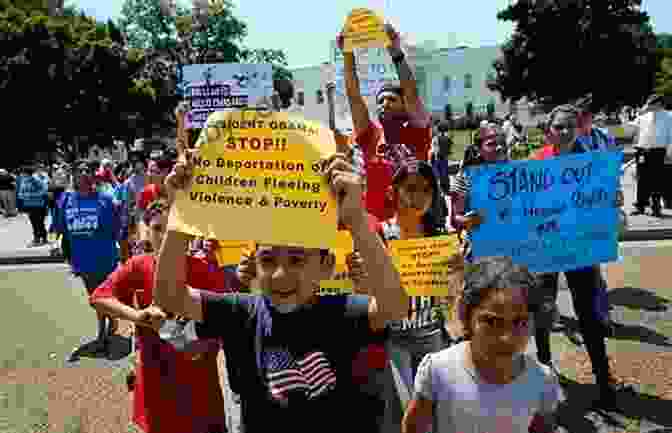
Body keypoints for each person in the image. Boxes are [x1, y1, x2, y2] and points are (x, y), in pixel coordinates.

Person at [152, 150, 408, 433]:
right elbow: (170, 296)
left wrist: (357, 220)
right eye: (268, 260)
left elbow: (394, 306)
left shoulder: (341, 310)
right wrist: (180, 218)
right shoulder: (241, 310)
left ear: (326, 266)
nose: (280, 274)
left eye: (297, 260)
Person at [89, 199, 228, 433]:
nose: (165, 237)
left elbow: (226, 321)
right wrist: (137, 316)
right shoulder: (137, 265)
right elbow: (99, 297)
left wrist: (196, 342)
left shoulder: (205, 271)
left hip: (199, 384)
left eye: (175, 230)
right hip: (155, 381)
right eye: (157, 228)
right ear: (147, 231)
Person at [526, 104, 628, 408]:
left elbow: (609, 197)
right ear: (549, 131)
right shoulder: (536, 161)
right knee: (542, 310)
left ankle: (603, 379)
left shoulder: (593, 162)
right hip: (546, 247)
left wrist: (614, 198)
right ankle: (544, 370)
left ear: (578, 129)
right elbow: (525, 203)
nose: (565, 131)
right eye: (559, 127)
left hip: (580, 248)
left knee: (589, 315)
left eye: (570, 126)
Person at [402, 257, 561, 433]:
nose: (505, 337)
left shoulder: (542, 380)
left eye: (519, 322)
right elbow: (413, 427)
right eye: (491, 321)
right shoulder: (438, 370)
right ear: (466, 315)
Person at [375, 145, 458, 432]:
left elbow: (451, 297)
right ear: (394, 192)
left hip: (432, 335)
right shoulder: (381, 233)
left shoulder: (442, 235)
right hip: (394, 337)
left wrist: (456, 272)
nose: (418, 196)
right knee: (404, 408)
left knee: (432, 410)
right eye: (410, 188)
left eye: (426, 189)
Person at [339, 23, 432, 221]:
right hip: (377, 229)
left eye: (391, 99)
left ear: (405, 107)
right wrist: (347, 55)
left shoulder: (418, 132)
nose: (384, 104)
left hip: (414, 226)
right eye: (380, 101)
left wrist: (395, 52)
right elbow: (354, 97)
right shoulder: (370, 135)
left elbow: (412, 94)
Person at [54, 160, 122, 353]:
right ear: (73, 176)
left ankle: (102, 333)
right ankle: (110, 321)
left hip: (104, 258)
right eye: (79, 171)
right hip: (81, 260)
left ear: (94, 176)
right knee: (95, 296)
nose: (83, 174)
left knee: (99, 296)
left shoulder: (106, 200)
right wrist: (59, 246)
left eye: (87, 171)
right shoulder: (66, 200)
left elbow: (115, 229)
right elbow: (62, 229)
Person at [631, 94, 672, 217]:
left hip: (659, 151)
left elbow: (671, 136)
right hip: (642, 150)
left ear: (659, 104)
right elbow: (632, 127)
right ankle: (640, 205)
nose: (648, 106)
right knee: (642, 178)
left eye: (651, 103)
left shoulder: (669, 116)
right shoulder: (644, 115)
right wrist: (639, 113)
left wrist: (669, 153)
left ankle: (656, 207)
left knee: (656, 180)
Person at [17, 164, 49, 246]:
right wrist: (22, 196)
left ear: (27, 173)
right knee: (34, 222)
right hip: (29, 205)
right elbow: (20, 193)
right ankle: (39, 238)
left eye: (23, 173)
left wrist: (30, 196)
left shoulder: (36, 180)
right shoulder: (24, 181)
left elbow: (44, 191)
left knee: (39, 222)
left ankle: (40, 239)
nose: (21, 174)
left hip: (39, 205)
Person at [428, 121, 453, 195]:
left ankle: (439, 190)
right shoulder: (447, 138)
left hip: (437, 158)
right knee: (444, 174)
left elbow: (434, 149)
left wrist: (432, 158)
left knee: (437, 175)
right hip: (443, 158)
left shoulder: (436, 138)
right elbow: (449, 149)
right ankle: (445, 189)